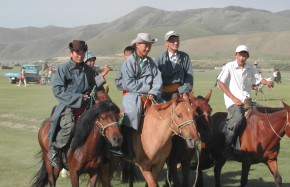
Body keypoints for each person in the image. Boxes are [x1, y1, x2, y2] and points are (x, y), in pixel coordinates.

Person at [48, 40, 99, 168]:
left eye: (82, 52)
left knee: (103, 125)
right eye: (77, 52)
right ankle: (55, 150)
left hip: (87, 105)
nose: (80, 55)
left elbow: (93, 87)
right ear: (71, 53)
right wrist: (79, 98)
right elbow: (57, 89)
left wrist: (93, 95)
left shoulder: (88, 70)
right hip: (68, 105)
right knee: (69, 126)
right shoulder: (63, 69)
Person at [217, 45, 274, 159]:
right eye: (240, 55)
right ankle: (227, 146)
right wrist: (233, 98)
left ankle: (261, 145)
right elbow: (220, 83)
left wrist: (267, 82)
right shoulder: (229, 67)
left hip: (247, 100)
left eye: (244, 55)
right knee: (238, 119)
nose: (242, 58)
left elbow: (258, 79)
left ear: (247, 56)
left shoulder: (250, 68)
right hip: (233, 101)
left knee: (264, 114)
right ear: (235, 55)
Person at [119, 33, 162, 159]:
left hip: (151, 96)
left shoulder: (151, 63)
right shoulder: (129, 62)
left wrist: (154, 92)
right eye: (145, 45)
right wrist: (147, 89)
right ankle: (125, 148)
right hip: (133, 95)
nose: (148, 48)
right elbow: (129, 83)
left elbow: (158, 80)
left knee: (165, 112)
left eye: (149, 45)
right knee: (131, 115)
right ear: (137, 45)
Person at [154, 31, 193, 101]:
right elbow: (155, 78)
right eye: (172, 41)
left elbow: (189, 76)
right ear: (166, 43)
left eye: (177, 40)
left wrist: (184, 91)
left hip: (181, 93)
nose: (176, 43)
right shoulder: (159, 59)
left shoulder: (185, 57)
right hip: (163, 94)